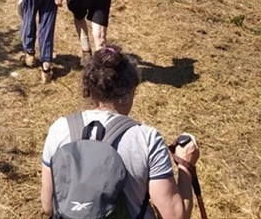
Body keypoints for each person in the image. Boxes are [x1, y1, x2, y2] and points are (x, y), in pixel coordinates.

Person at [40, 46, 200, 219]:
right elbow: (174, 216)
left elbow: (48, 206)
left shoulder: (59, 129)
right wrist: (185, 166)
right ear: (129, 92)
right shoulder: (146, 139)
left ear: (90, 90)